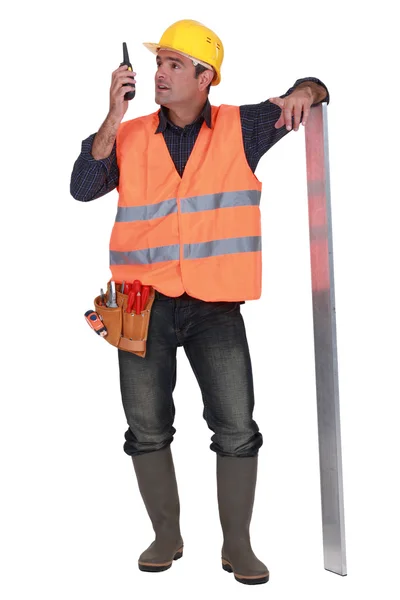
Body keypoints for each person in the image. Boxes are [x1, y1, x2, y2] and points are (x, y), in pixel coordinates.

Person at [70, 19, 329, 586]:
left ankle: (237, 545)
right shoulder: (132, 134)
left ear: (206, 77)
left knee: (236, 426)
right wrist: (113, 114)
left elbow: (317, 86)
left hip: (216, 308)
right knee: (146, 426)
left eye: (173, 64)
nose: (159, 73)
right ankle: (166, 536)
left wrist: (304, 94)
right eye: (157, 63)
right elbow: (83, 185)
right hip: (142, 307)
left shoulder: (245, 126)